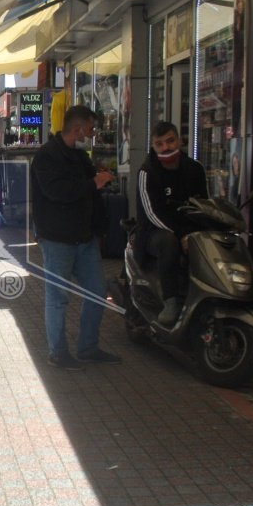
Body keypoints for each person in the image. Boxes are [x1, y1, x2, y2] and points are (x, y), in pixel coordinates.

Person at [30, 105, 121, 369]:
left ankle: (88, 348)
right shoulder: (47, 155)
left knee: (97, 291)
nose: (93, 133)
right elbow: (57, 192)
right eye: (91, 128)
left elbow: (87, 190)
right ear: (78, 129)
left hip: (84, 238)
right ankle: (58, 353)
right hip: (57, 239)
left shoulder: (79, 156)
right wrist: (94, 183)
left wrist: (98, 183)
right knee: (58, 297)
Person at [136, 121, 208, 327]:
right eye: (159, 144)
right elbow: (151, 213)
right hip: (154, 232)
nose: (166, 147)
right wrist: (180, 234)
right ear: (153, 146)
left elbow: (205, 204)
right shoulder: (147, 172)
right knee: (169, 243)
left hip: (189, 227)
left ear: (179, 140)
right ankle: (170, 301)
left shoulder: (195, 169)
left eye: (170, 141)